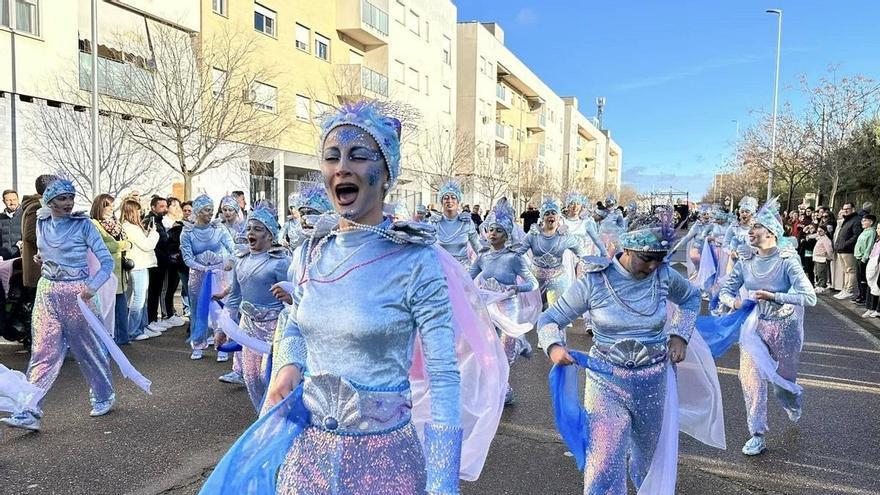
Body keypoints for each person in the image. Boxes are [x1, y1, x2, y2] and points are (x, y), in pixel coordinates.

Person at [203, 101, 495, 494]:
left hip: (385, 463)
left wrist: (442, 482)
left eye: (359, 156)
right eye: (331, 157)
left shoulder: (416, 260)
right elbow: (295, 321)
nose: (342, 167)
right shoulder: (311, 252)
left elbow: (444, 376)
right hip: (308, 461)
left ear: (387, 173)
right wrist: (289, 366)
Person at [539, 215, 713, 493]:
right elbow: (549, 319)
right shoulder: (594, 282)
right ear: (628, 249)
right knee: (603, 462)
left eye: (660, 258)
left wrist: (680, 334)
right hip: (606, 381)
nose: (654, 265)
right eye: (646, 258)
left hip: (653, 380)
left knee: (648, 459)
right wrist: (554, 347)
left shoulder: (664, 275)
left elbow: (691, 298)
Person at [1, 179, 115, 430]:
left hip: (78, 294)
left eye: (70, 198)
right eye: (62, 198)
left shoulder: (83, 225)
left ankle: (104, 395)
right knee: (43, 351)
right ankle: (29, 409)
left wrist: (91, 287)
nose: (68, 203)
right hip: (47, 292)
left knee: (88, 350)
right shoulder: (41, 222)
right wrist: (41, 258)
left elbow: (107, 262)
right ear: (50, 201)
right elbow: (44, 251)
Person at [718, 198, 816, 456]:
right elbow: (725, 290)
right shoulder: (746, 259)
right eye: (750, 227)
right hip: (754, 328)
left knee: (783, 384)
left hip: (785, 327)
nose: (750, 230)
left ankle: (792, 400)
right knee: (751, 380)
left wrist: (776, 296)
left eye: (756, 227)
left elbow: (810, 297)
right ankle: (757, 433)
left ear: (771, 232)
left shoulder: (787, 260)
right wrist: (735, 301)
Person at [220, 205, 289, 411]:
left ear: (269, 235)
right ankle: (262, 418)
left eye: (258, 229)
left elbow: (291, 300)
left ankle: (272, 421)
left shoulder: (280, 262)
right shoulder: (241, 261)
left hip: (274, 328)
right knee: (251, 377)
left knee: (268, 376)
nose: (251, 233)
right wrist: (220, 330)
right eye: (249, 228)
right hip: (248, 327)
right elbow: (233, 299)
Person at [470, 199, 538, 405]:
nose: (492, 234)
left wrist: (515, 288)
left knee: (505, 353)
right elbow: (467, 278)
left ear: (507, 234)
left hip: (508, 309)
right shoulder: (482, 257)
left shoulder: (514, 258)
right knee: (488, 351)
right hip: (488, 309)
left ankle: (504, 383)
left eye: (498, 230)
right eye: (490, 229)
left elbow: (532, 283)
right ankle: (498, 388)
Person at [180, 194, 235, 360]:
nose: (210, 213)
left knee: (220, 309)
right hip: (198, 276)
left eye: (211, 210)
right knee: (198, 309)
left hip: (219, 274)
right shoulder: (187, 232)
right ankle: (198, 344)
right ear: (197, 211)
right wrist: (203, 268)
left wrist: (230, 262)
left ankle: (222, 346)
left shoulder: (218, 228)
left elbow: (232, 248)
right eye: (206, 210)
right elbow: (187, 258)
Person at [515, 197, 590, 310]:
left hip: (558, 280)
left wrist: (590, 265)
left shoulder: (565, 236)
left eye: (554, 213)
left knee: (556, 314)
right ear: (542, 217)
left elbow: (582, 253)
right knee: (538, 313)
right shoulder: (533, 235)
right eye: (547, 213)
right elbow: (518, 253)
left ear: (558, 217)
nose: (551, 215)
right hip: (536, 280)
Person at [90, 194, 133, 345]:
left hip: (120, 270)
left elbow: (126, 240)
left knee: (121, 305)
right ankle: (108, 337)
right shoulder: (94, 224)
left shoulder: (115, 223)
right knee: (107, 306)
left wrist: (126, 244)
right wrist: (122, 245)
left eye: (112, 206)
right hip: (105, 270)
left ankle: (123, 337)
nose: (111, 209)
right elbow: (101, 245)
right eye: (107, 205)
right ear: (99, 207)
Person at [121, 199, 161, 341]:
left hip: (140, 264)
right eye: (138, 210)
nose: (140, 212)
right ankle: (134, 330)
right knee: (138, 299)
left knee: (141, 297)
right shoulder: (130, 227)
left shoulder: (130, 226)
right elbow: (147, 245)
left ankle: (141, 327)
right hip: (138, 265)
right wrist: (154, 234)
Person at [144, 196, 183, 332]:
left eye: (165, 206)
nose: (164, 209)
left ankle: (155, 319)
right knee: (155, 291)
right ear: (153, 207)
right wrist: (173, 233)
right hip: (156, 261)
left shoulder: (158, 221)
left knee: (160, 289)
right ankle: (152, 319)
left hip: (162, 260)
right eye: (161, 207)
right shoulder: (152, 221)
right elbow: (161, 241)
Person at [431, 179, 483, 268]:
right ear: (441, 201)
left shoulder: (466, 222)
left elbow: (478, 247)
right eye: (446, 197)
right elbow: (424, 246)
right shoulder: (434, 222)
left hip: (463, 271)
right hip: (441, 270)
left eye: (453, 197)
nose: (449, 201)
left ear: (458, 201)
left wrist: (488, 262)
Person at [833, 202, 863, 300]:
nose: (845, 210)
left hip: (848, 250)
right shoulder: (847, 219)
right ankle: (845, 289)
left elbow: (856, 235)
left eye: (848, 209)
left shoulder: (856, 220)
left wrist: (845, 244)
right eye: (844, 209)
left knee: (851, 270)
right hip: (842, 249)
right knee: (846, 271)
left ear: (853, 209)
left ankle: (850, 290)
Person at [853, 215, 877, 304]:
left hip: (863, 258)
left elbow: (869, 246)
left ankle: (863, 296)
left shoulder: (871, 232)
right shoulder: (864, 231)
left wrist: (864, 258)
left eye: (865, 220)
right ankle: (860, 294)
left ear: (871, 222)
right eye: (862, 220)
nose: (862, 222)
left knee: (863, 278)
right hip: (858, 256)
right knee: (858, 277)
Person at [0, 189, 22, 259]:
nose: (12, 202)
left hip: (21, 259)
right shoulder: (0, 217)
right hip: (3, 260)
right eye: (8, 200)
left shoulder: (25, 216)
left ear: (18, 200)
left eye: (14, 199)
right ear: (3, 201)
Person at [812, 226, 833, 293]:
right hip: (817, 258)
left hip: (822, 258)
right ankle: (819, 285)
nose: (819, 232)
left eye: (821, 231)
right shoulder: (820, 238)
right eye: (818, 231)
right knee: (818, 272)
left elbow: (829, 250)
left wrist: (830, 257)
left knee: (822, 272)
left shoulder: (826, 239)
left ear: (825, 231)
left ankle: (822, 286)